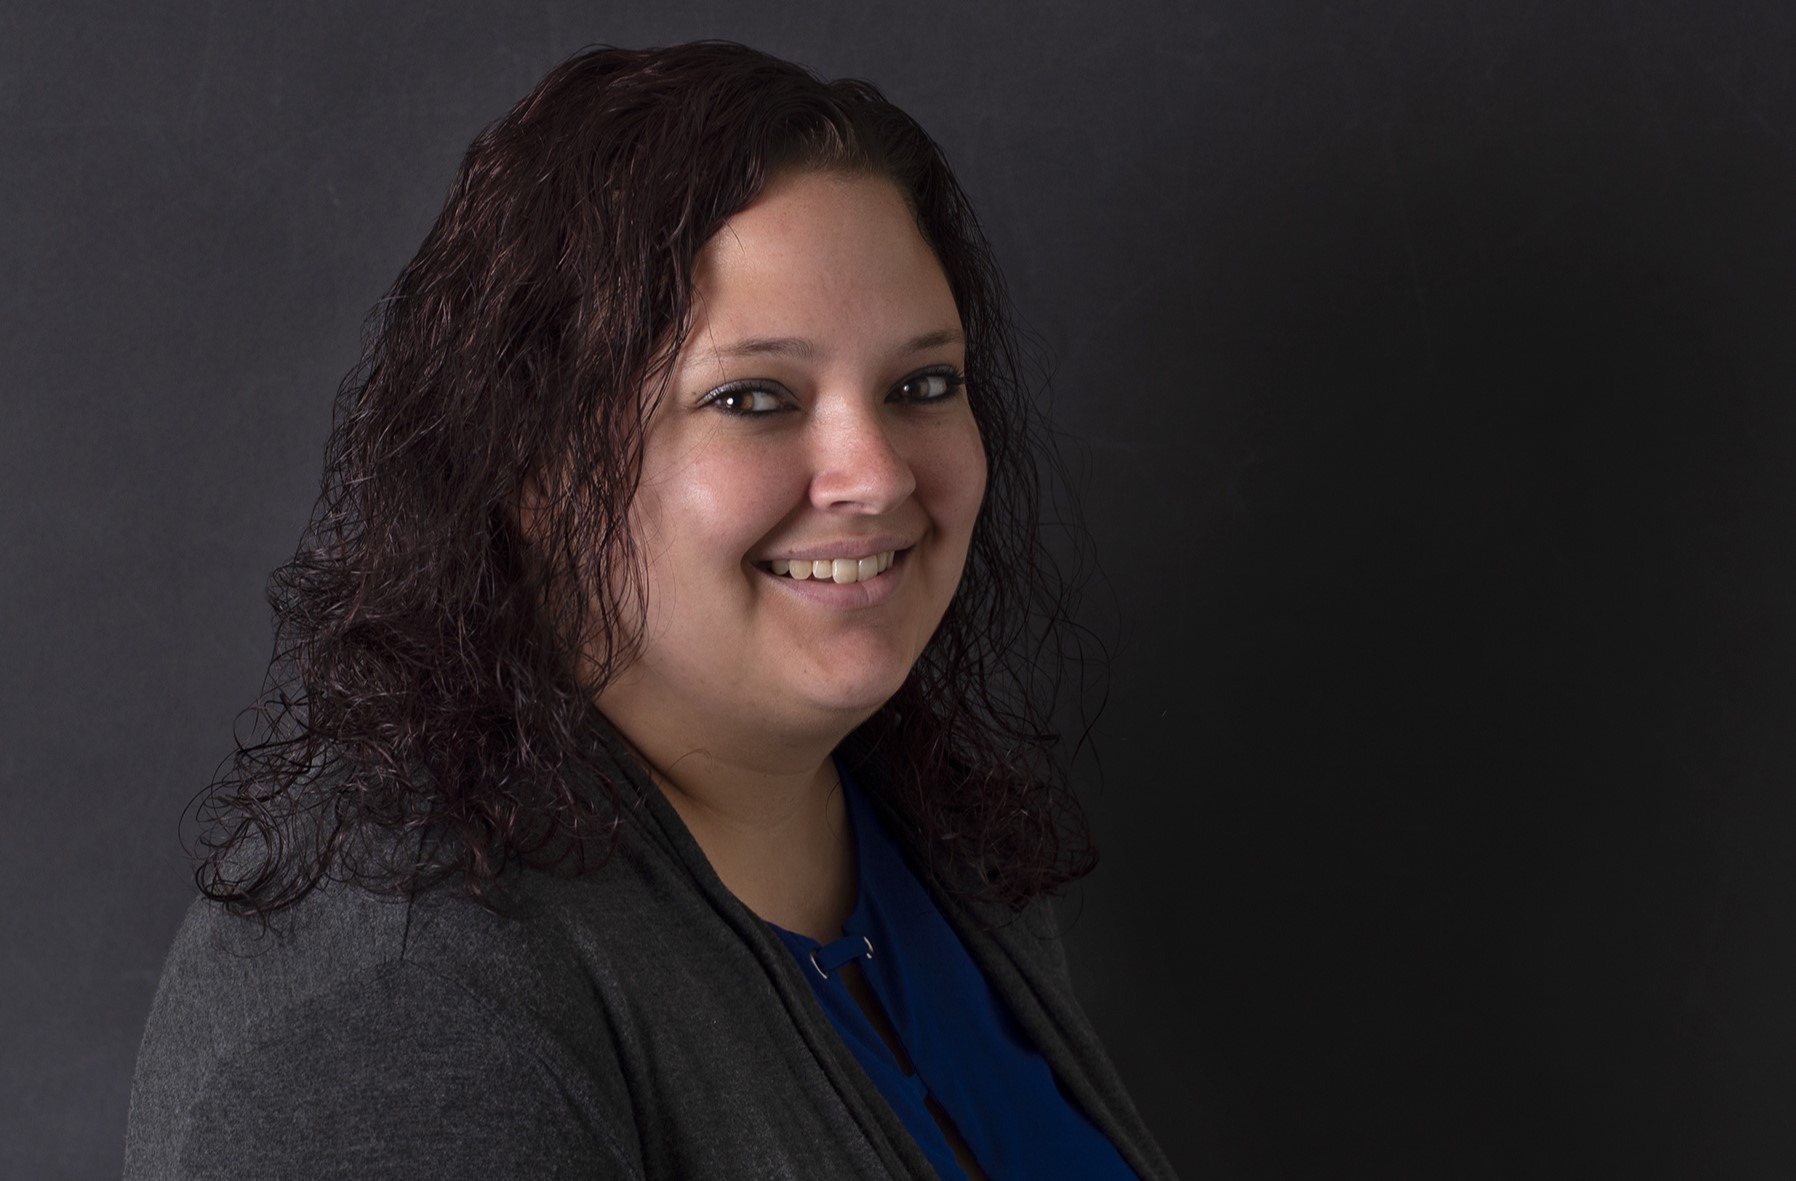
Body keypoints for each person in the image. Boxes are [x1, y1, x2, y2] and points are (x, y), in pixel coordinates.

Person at [125, 41, 1176, 1181]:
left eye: (921, 385)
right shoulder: (394, 1000)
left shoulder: (943, 856)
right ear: (527, 466)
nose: (874, 473)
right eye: (751, 397)